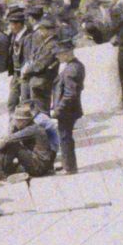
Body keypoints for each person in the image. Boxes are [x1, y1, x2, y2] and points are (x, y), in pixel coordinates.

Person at [49, 42, 86, 174]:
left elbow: (70, 94)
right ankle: (67, 164)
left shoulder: (71, 70)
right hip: (70, 109)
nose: (57, 57)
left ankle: (69, 167)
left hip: (67, 111)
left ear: (67, 53)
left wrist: (58, 110)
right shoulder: (76, 65)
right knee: (65, 137)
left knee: (65, 138)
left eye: (59, 54)